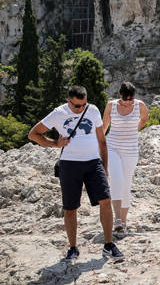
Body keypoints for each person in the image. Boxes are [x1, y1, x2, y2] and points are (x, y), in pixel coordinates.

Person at [27, 85, 124, 261]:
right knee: (70, 208)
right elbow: (34, 134)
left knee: (106, 200)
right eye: (77, 106)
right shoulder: (58, 113)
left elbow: (102, 141)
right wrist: (55, 144)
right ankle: (73, 248)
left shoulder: (92, 110)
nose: (81, 109)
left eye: (83, 105)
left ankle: (109, 245)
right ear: (68, 101)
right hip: (69, 165)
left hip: (93, 163)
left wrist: (105, 167)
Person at [102, 82, 148, 236]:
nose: (128, 102)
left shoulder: (140, 105)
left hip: (131, 149)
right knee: (116, 180)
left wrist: (134, 129)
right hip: (112, 146)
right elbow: (104, 126)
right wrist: (97, 144)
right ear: (119, 95)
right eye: (125, 99)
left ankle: (124, 221)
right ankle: (117, 220)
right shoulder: (111, 105)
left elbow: (145, 119)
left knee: (126, 184)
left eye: (131, 99)